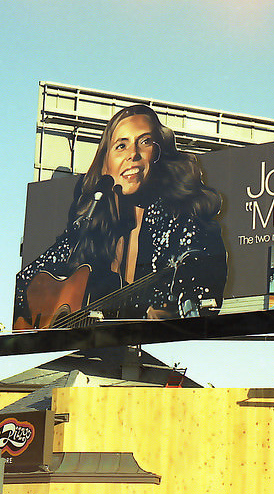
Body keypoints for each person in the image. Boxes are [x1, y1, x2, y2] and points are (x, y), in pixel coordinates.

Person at [13, 104, 227, 329]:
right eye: (121, 146)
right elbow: (24, 280)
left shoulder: (186, 221)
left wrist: (177, 308)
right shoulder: (88, 228)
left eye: (144, 142)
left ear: (159, 154)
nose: (132, 155)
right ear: (105, 165)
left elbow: (201, 275)